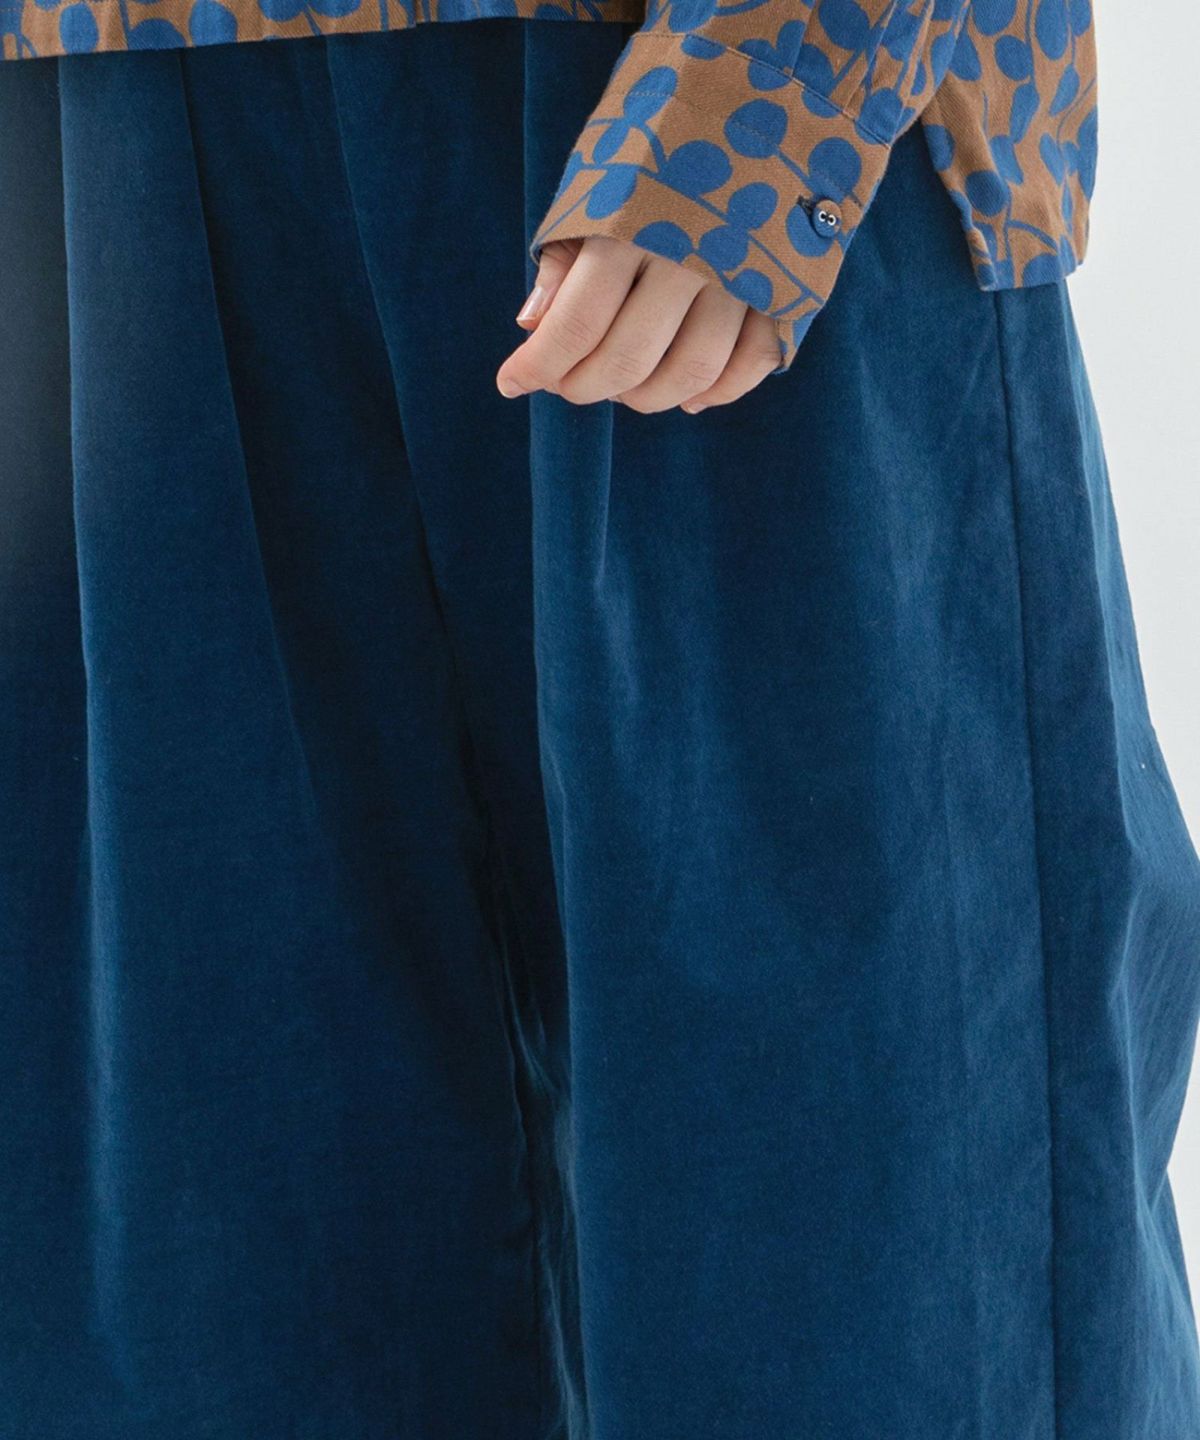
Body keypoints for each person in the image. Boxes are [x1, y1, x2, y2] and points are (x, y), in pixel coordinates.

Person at [0, 2, 1197, 1437]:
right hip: (95, 135)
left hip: (697, 123)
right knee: (216, 1316)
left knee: (887, 1284)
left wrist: (777, 83)